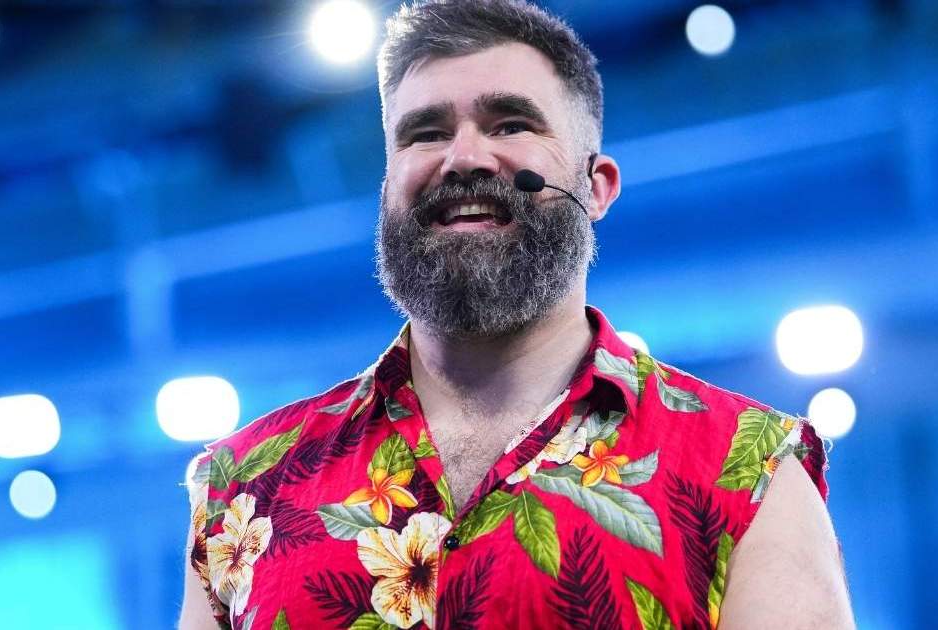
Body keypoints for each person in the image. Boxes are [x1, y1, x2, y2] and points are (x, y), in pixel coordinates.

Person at [179, 1, 853, 628]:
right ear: (386, 191)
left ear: (597, 186)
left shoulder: (752, 471)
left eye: (510, 124)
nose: (464, 158)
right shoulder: (241, 485)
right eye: (426, 133)